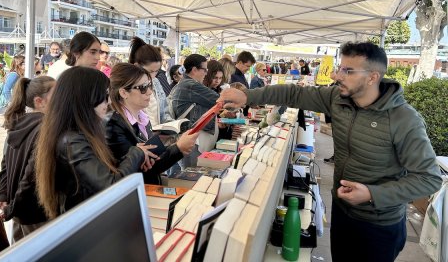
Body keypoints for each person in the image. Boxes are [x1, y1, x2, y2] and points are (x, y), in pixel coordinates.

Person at [219, 41, 442, 262]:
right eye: (339, 68)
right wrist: (248, 96)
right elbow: (294, 94)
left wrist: (372, 194)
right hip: (342, 212)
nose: (337, 75)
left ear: (373, 77)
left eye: (348, 71)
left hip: (379, 226)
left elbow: (429, 179)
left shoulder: (404, 119)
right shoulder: (338, 98)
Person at [35, 67, 145, 219]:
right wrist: (137, 152)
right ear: (87, 98)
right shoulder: (72, 141)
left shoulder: (80, 133)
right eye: (105, 96)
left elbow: (102, 171)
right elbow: (111, 185)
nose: (108, 102)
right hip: (84, 221)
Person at [106, 63, 198, 184]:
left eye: (150, 85)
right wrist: (178, 149)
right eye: (143, 87)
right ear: (124, 93)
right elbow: (139, 171)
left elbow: (152, 161)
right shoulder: (114, 126)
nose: (149, 92)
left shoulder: (142, 117)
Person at [0, 76, 55, 241]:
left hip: (19, 212)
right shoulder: (45, 130)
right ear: (39, 101)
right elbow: (31, 176)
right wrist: (12, 207)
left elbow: (5, 165)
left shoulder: (17, 124)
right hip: (36, 213)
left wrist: (3, 195)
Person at [170, 54, 220, 167]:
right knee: (192, 175)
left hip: (190, 138)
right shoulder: (190, 85)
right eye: (204, 70)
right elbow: (218, 99)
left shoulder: (186, 83)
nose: (206, 73)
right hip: (193, 140)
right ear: (194, 70)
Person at [129, 37, 171, 125]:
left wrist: (170, 126)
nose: (153, 76)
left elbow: (164, 111)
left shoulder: (156, 82)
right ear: (137, 66)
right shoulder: (128, 87)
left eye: (157, 71)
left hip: (157, 134)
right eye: (150, 71)